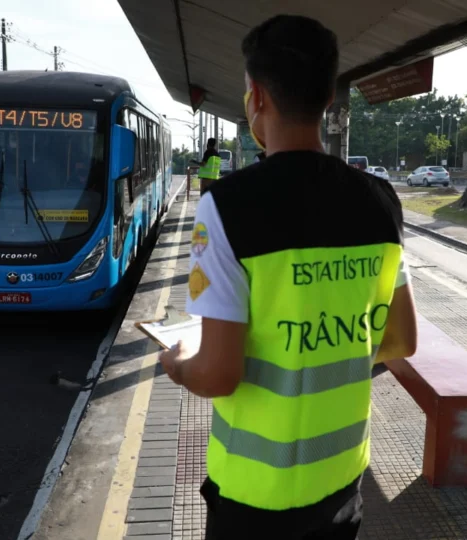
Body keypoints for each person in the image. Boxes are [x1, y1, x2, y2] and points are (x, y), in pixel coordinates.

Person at [158, 14, 418, 540]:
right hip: (342, 481)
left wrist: (179, 365)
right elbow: (402, 340)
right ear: (327, 98)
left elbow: (219, 375)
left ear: (256, 96)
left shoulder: (225, 207)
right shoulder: (379, 202)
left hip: (254, 498)